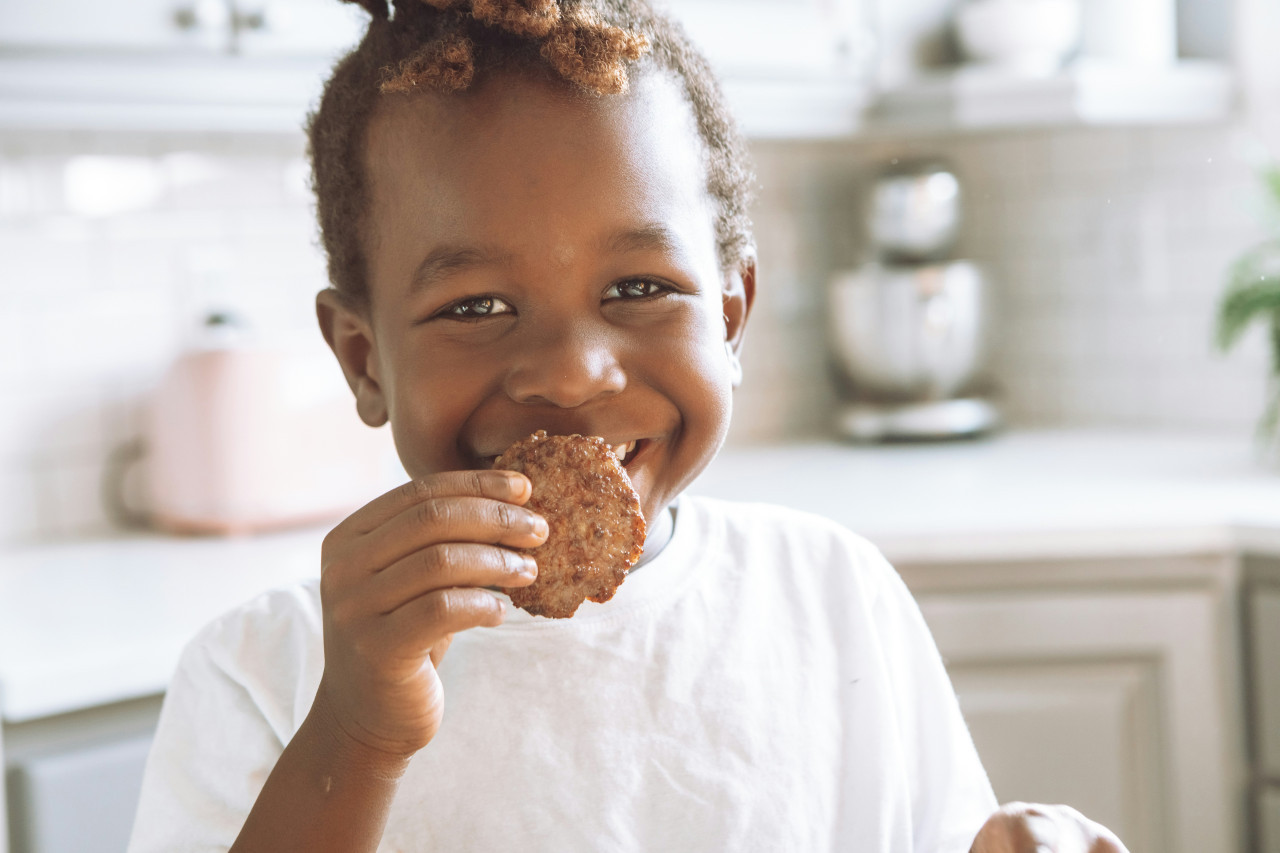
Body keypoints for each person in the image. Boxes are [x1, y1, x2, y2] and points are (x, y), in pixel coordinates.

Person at [128, 1, 1129, 851]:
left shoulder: (832, 597)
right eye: (475, 306)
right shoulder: (265, 670)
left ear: (729, 316)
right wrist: (354, 730)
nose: (570, 372)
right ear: (361, 357)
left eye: (640, 287)